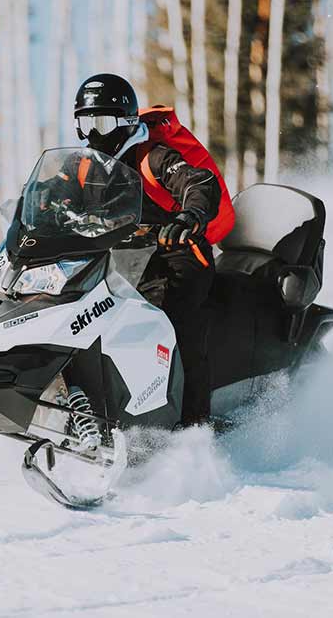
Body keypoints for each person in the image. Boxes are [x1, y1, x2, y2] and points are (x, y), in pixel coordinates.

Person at [72, 73, 222, 426]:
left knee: (171, 321)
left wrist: (190, 214)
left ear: (124, 123)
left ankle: (191, 423)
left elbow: (197, 181)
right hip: (121, 262)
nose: (93, 133)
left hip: (177, 257)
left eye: (102, 123)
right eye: (85, 123)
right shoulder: (83, 167)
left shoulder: (152, 156)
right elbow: (53, 191)